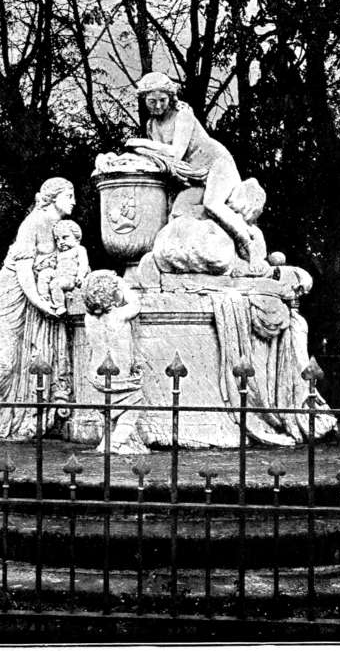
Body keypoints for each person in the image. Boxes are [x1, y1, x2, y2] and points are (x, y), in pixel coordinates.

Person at [0, 178, 76, 441]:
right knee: (5, 364)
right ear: (53, 198)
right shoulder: (34, 223)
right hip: (9, 300)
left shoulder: (60, 229)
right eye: (69, 195)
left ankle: (18, 420)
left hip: (32, 305)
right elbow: (25, 275)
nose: (74, 201)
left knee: (29, 364)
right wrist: (43, 304)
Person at [126, 71, 253, 255]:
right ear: (144, 99)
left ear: (171, 97)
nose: (158, 105)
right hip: (195, 177)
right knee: (177, 213)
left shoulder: (183, 115)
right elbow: (163, 160)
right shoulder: (151, 125)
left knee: (213, 204)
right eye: (152, 101)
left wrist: (140, 143)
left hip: (216, 164)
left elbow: (176, 153)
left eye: (162, 100)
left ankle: (248, 244)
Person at [83, 270, 149, 454]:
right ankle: (116, 442)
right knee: (133, 406)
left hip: (97, 374)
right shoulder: (119, 315)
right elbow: (135, 303)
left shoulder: (89, 319)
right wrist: (121, 283)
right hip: (120, 375)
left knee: (109, 411)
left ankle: (106, 441)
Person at [35, 220, 90, 314]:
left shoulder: (79, 249)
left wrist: (80, 276)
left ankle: (60, 306)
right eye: (57, 239)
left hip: (70, 278)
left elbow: (83, 264)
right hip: (58, 274)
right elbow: (53, 264)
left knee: (55, 284)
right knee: (44, 273)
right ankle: (44, 296)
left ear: (76, 237)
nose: (61, 242)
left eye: (65, 237)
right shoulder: (59, 253)